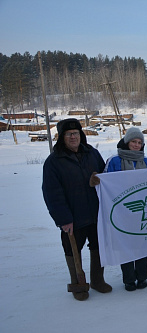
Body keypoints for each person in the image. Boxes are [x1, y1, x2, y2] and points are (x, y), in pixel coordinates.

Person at [42, 118, 112, 301]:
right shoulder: (54, 162)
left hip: (96, 213)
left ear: (81, 135)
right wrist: (63, 219)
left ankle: (97, 280)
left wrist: (100, 178)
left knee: (97, 246)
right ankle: (79, 284)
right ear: (62, 137)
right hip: (72, 216)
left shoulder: (92, 153)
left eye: (76, 133)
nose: (73, 137)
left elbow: (106, 177)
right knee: (73, 249)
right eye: (68, 134)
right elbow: (52, 193)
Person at [104, 127, 147, 291]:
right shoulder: (115, 160)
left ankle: (142, 277)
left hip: (142, 210)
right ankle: (129, 279)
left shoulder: (145, 161)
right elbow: (107, 184)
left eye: (139, 142)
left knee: (141, 243)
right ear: (127, 142)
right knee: (125, 244)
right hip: (122, 211)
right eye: (134, 141)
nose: (137, 145)